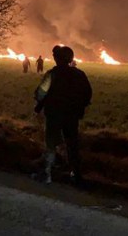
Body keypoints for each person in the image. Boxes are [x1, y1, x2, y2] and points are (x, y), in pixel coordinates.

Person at [33, 45, 92, 185]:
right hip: (72, 116)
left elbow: (40, 93)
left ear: (57, 59)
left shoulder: (52, 74)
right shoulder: (80, 74)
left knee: (51, 143)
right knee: (72, 144)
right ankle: (76, 175)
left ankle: (47, 174)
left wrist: (40, 103)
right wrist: (79, 107)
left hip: (54, 114)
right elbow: (88, 93)